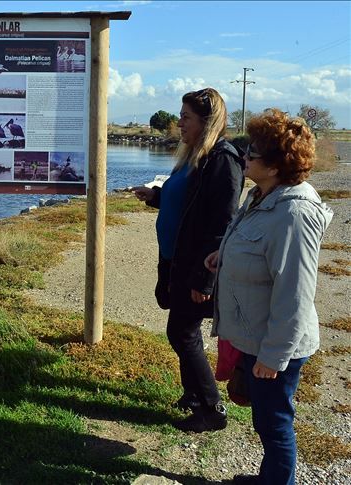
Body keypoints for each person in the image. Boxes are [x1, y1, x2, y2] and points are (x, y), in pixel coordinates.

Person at [205, 109, 332, 484]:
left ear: (277, 165)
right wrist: (222, 255)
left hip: (275, 345)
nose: (245, 156)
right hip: (255, 336)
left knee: (275, 424)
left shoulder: (294, 214)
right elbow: (252, 243)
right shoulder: (261, 195)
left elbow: (295, 292)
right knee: (264, 417)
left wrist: (273, 357)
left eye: (254, 152)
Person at [132, 88, 244, 432]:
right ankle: (194, 397)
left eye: (185, 118)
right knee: (183, 329)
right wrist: (157, 196)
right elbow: (186, 202)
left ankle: (211, 409)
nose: (178, 123)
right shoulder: (196, 154)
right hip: (176, 260)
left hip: (196, 266)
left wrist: (204, 279)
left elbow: (221, 224)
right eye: (179, 116)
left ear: (206, 122)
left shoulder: (222, 159)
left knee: (182, 332)